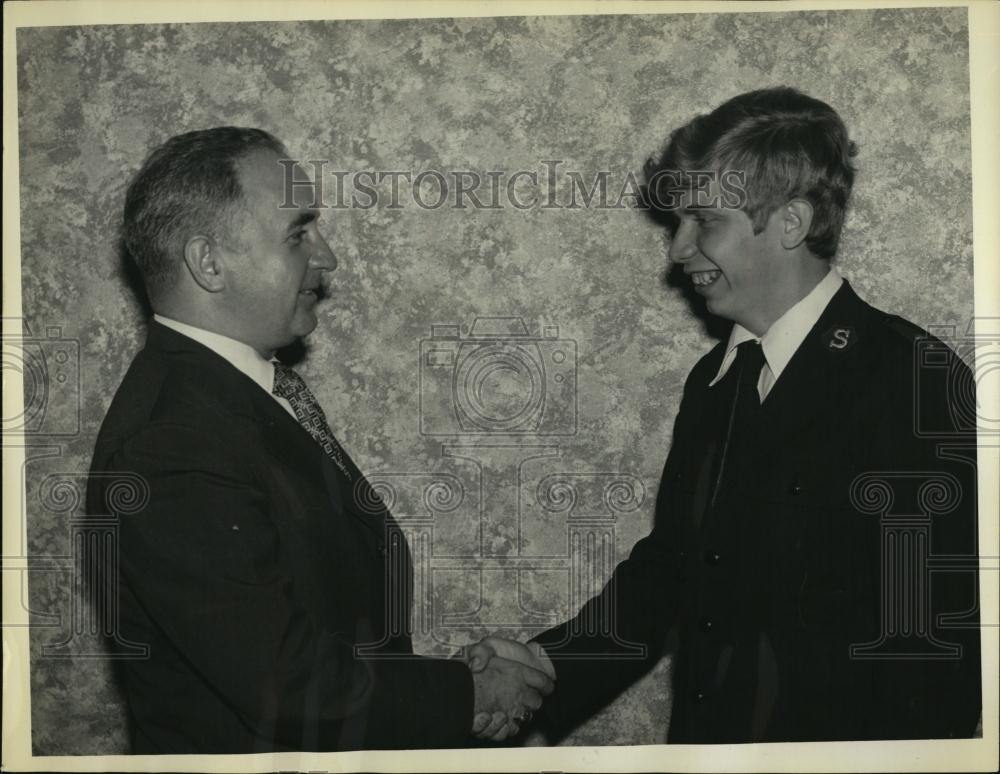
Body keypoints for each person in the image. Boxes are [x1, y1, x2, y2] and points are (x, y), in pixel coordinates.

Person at [469, 87, 981, 743]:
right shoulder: (716, 384)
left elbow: (934, 657)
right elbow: (668, 575)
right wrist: (543, 671)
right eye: (677, 222)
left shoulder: (910, 380)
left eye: (704, 221)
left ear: (790, 224)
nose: (678, 250)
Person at [85, 127, 552, 753]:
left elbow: (315, 622)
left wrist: (450, 679)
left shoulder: (234, 393)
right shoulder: (171, 442)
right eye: (298, 233)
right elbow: (285, 685)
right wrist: (469, 695)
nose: (326, 256)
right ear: (209, 262)